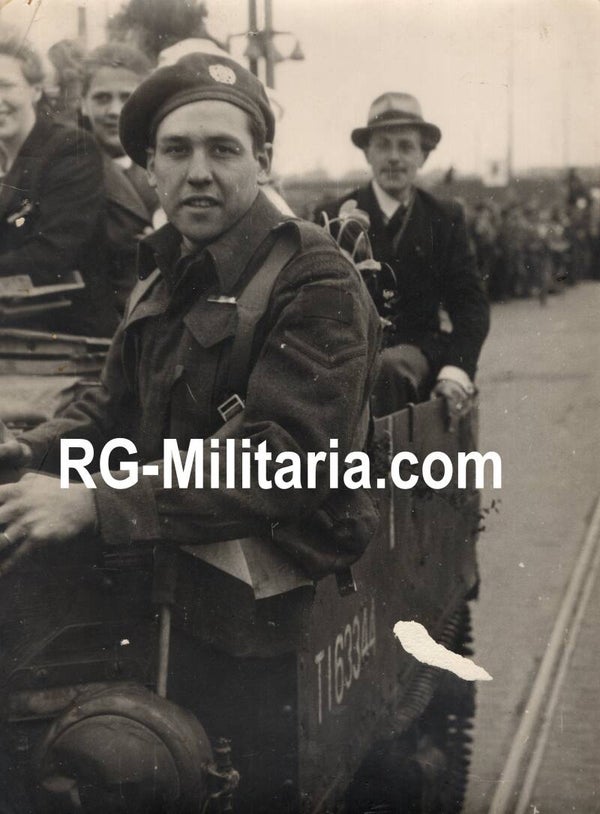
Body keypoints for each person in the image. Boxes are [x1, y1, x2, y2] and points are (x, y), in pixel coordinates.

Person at [0, 52, 380, 614]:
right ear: (152, 169)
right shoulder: (161, 274)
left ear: (263, 161)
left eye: (223, 149)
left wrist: (96, 503)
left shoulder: (313, 277)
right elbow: (109, 411)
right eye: (177, 150)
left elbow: (287, 462)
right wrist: (26, 450)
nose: (197, 171)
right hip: (164, 561)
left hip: (265, 597)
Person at [316, 92, 490, 420]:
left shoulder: (444, 217)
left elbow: (470, 306)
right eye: (383, 145)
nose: (394, 157)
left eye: (406, 147)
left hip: (418, 356)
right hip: (345, 358)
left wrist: (456, 371)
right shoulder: (333, 216)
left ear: (424, 156)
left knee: (389, 370)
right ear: (367, 153)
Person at [0, 28, 118, 337]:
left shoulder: (70, 149)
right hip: (14, 330)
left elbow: (54, 253)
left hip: (70, 337)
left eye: (5, 86)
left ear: (36, 90)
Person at [81, 43, 157, 313]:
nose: (114, 110)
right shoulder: (69, 170)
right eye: (102, 98)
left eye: (126, 97)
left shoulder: (166, 166)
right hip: (101, 322)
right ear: (83, 103)